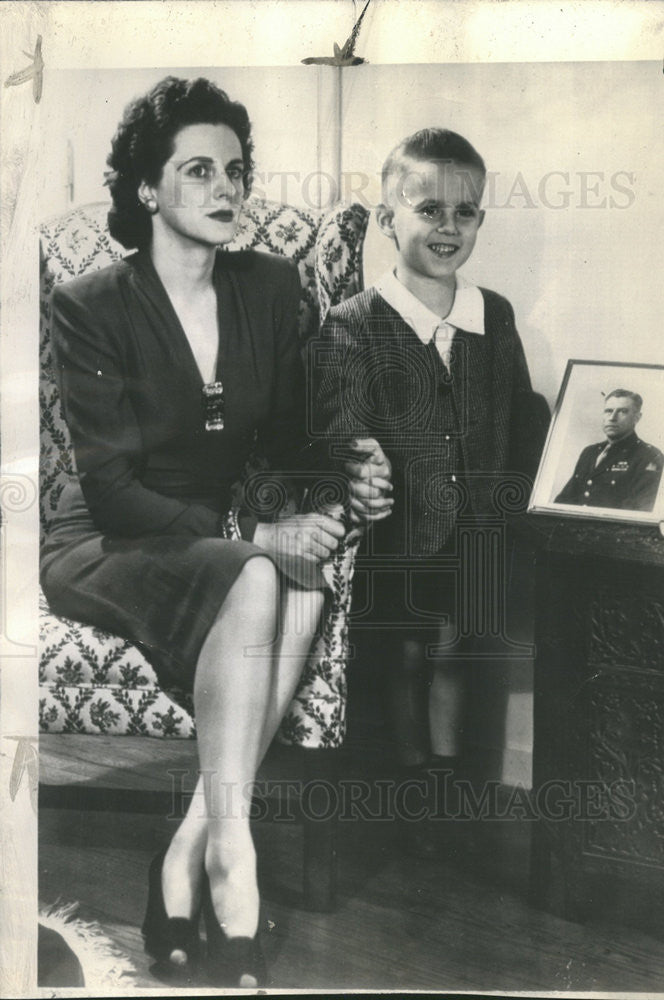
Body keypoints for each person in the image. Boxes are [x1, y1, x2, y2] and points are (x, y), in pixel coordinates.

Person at [39, 76, 381, 988]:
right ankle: (235, 851)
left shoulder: (270, 287)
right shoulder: (90, 303)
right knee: (270, 571)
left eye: (236, 169)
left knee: (304, 569)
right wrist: (262, 534)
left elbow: (297, 437)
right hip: (107, 541)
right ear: (148, 189)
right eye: (199, 170)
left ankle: (193, 843)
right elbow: (111, 491)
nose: (228, 188)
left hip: (218, 536)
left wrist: (354, 470)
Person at [312, 128, 549, 857]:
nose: (448, 228)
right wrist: (363, 462)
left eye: (465, 213)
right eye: (428, 210)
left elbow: (518, 411)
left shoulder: (494, 316)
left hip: (478, 525)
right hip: (401, 526)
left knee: (458, 648)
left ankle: (447, 778)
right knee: (407, 651)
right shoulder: (355, 322)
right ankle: (411, 779)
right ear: (389, 221)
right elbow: (341, 421)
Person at [554, 389, 664, 511]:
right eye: (608, 411)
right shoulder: (590, 452)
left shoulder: (649, 456)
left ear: (637, 418)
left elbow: (639, 509)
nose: (612, 418)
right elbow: (565, 499)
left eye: (623, 411)